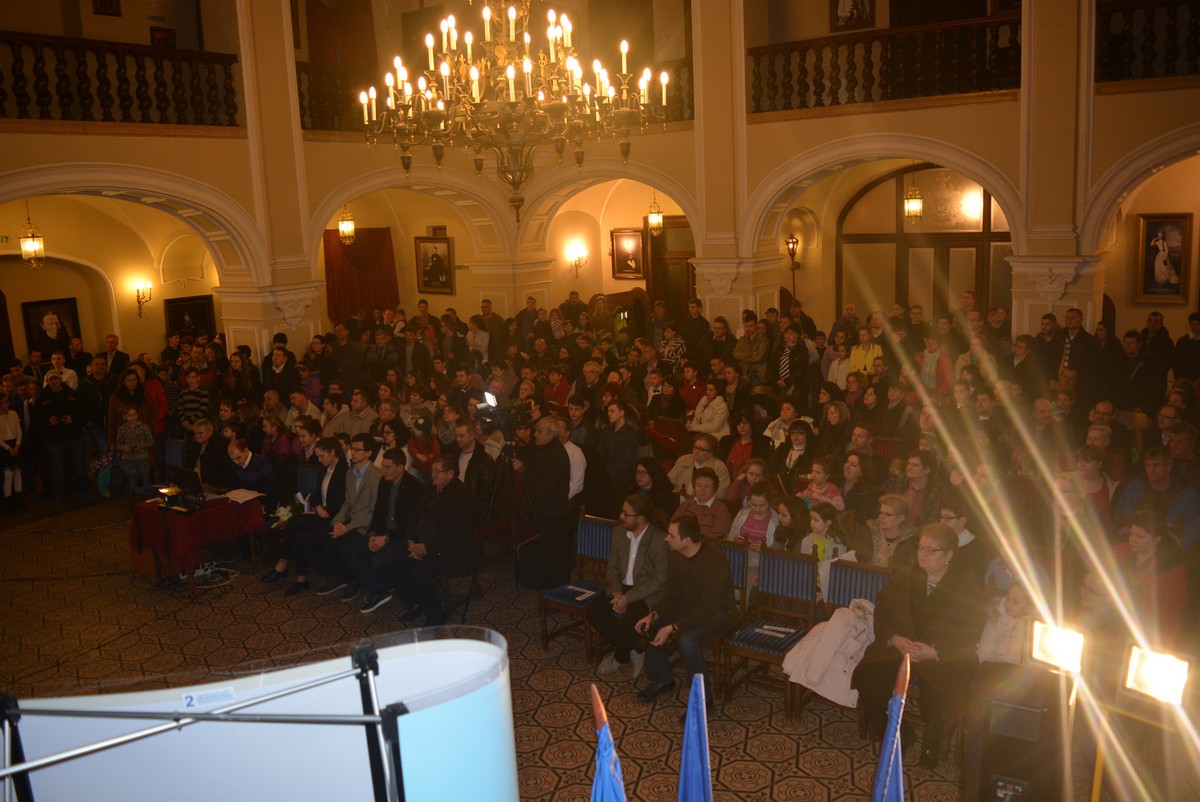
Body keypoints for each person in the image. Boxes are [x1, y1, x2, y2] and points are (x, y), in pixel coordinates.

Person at [852, 523, 986, 768]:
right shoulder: (907, 575)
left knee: (939, 695)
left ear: (948, 555)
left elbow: (972, 629)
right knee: (867, 677)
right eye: (920, 548)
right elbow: (884, 608)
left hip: (939, 656)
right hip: (903, 648)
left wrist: (936, 652)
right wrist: (895, 638)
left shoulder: (966, 585)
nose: (922, 554)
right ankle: (900, 734)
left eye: (930, 550)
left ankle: (932, 746)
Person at [634, 514, 739, 714]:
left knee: (687, 640)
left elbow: (708, 611)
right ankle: (663, 681)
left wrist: (673, 627)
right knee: (652, 626)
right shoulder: (676, 555)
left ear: (687, 540)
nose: (666, 538)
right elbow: (672, 595)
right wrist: (653, 615)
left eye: (671, 535)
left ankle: (703, 703)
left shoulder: (713, 561)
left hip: (720, 613)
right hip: (692, 607)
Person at [589, 494, 671, 677]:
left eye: (626, 514)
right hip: (621, 588)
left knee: (630, 620)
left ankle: (619, 656)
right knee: (593, 611)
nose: (621, 517)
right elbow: (612, 567)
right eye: (622, 512)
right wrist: (617, 593)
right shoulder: (619, 532)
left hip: (645, 593)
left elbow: (659, 580)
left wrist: (628, 598)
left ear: (640, 518)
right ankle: (632, 647)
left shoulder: (659, 540)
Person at [393, 454, 478, 625]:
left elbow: (455, 534)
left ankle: (436, 616)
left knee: (419, 573)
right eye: (432, 471)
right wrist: (410, 541)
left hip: (451, 551)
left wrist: (428, 548)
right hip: (423, 544)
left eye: (437, 472)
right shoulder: (430, 488)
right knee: (394, 561)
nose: (432, 475)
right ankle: (416, 603)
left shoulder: (462, 496)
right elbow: (414, 516)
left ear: (450, 474)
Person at [341, 447, 426, 613]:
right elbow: (378, 513)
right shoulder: (384, 482)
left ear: (400, 467)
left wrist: (385, 538)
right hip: (382, 532)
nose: (383, 470)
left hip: (401, 536)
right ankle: (379, 589)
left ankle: (387, 590)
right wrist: (373, 535)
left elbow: (410, 524)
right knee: (347, 550)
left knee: (380, 561)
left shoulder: (414, 487)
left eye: (388, 467)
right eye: (383, 466)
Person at [262, 437, 348, 594]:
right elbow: (316, 495)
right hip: (321, 512)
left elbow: (341, 502)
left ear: (332, 452)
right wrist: (318, 506)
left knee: (295, 526)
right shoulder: (325, 468)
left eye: (322, 456)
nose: (319, 460)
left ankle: (284, 566)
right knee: (295, 530)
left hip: (334, 517)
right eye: (318, 456)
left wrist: (323, 509)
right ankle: (300, 578)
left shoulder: (344, 471)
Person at [313, 432, 384, 599]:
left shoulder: (377, 476)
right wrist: (338, 522)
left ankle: (354, 580)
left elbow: (373, 512)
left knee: (336, 547)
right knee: (323, 544)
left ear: (368, 453)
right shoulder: (350, 473)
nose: (353, 452)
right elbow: (347, 504)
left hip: (365, 526)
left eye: (358, 450)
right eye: (352, 448)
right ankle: (344, 576)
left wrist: (347, 527)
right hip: (350, 522)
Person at [671, 466, 733, 539]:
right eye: (698, 485)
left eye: (707, 486)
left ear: (715, 489)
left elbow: (718, 540)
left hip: (705, 545)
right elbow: (672, 527)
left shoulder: (721, 511)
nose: (702, 490)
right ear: (694, 487)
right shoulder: (686, 505)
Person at [227, 437, 280, 511]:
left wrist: (269, 509)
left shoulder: (261, 462)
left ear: (245, 450)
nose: (236, 462)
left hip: (260, 504)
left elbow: (272, 488)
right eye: (233, 459)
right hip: (244, 502)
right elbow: (231, 484)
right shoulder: (236, 466)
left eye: (238, 458)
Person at [114, 404, 154, 490]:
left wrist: (141, 446)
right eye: (130, 415)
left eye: (135, 414)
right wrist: (124, 447)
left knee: (145, 478)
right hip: (129, 459)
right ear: (125, 417)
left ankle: (149, 495)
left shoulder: (144, 427)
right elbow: (118, 444)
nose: (133, 417)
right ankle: (133, 496)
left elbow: (150, 441)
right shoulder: (122, 429)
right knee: (132, 480)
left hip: (142, 457)